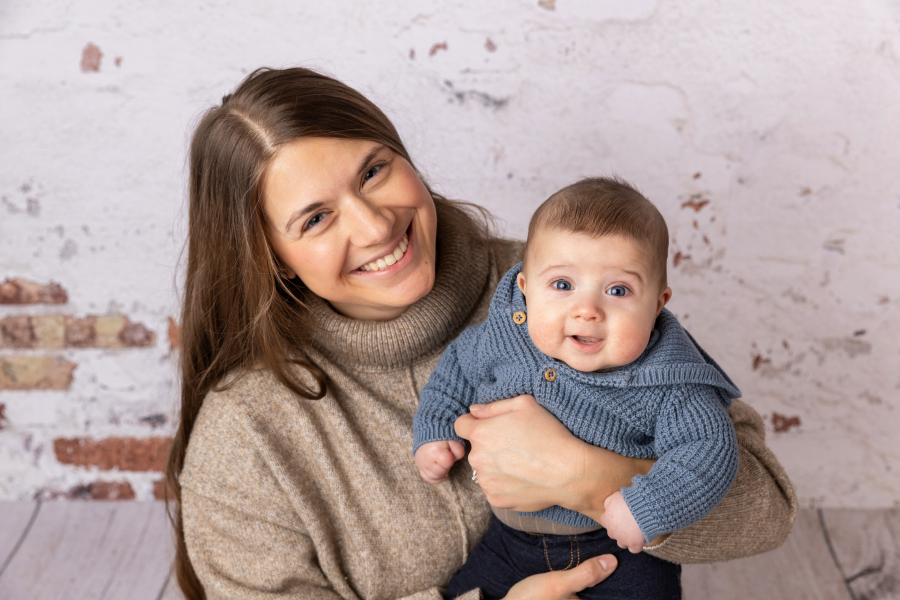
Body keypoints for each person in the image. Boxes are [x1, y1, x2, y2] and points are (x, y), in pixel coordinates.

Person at [164, 67, 798, 600]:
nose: (375, 225)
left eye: (374, 172)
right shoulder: (245, 434)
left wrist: (586, 477)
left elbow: (766, 511)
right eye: (317, 218)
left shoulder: (570, 285)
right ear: (269, 255)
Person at [414, 178, 741, 599]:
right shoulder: (502, 340)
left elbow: (710, 449)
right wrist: (435, 429)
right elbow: (455, 369)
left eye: (618, 290)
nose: (587, 311)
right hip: (509, 543)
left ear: (658, 304)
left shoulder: (668, 380)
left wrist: (649, 506)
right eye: (563, 285)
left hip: (616, 550)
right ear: (525, 288)